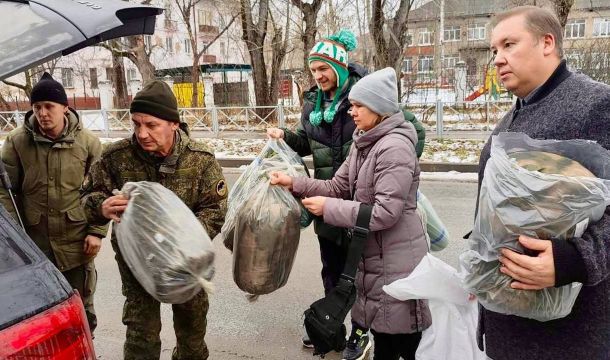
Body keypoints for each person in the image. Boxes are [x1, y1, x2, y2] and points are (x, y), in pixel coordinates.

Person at [473, 6, 610, 359]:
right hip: (507, 322)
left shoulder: (596, 104)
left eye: (508, 44)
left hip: (568, 335)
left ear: (547, 42)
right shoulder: (507, 122)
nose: (498, 59)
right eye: (494, 51)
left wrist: (576, 260)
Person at [270, 67, 431, 360]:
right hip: (376, 257)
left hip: (396, 259)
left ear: (379, 108)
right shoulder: (364, 141)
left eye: (358, 106)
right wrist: (294, 183)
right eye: (352, 105)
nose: (351, 112)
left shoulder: (393, 147)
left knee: (399, 343)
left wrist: (328, 208)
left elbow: (385, 212)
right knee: (384, 337)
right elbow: (337, 185)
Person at [81, 80, 227, 360]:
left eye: (151, 125)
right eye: (136, 124)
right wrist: (102, 206)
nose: (142, 133)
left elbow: (216, 209)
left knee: (192, 337)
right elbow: (86, 197)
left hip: (186, 263)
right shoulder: (116, 157)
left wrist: (182, 241)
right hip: (137, 264)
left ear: (173, 123)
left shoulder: (200, 159)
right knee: (141, 337)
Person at [0, 72, 106, 334]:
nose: (43, 113)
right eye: (37, 107)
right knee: (40, 316)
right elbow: (5, 191)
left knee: (81, 311)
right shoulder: (17, 141)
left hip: (76, 242)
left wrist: (97, 232)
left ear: (65, 108)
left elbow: (102, 191)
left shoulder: (88, 143)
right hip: (35, 244)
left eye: (49, 106)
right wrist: (17, 237)